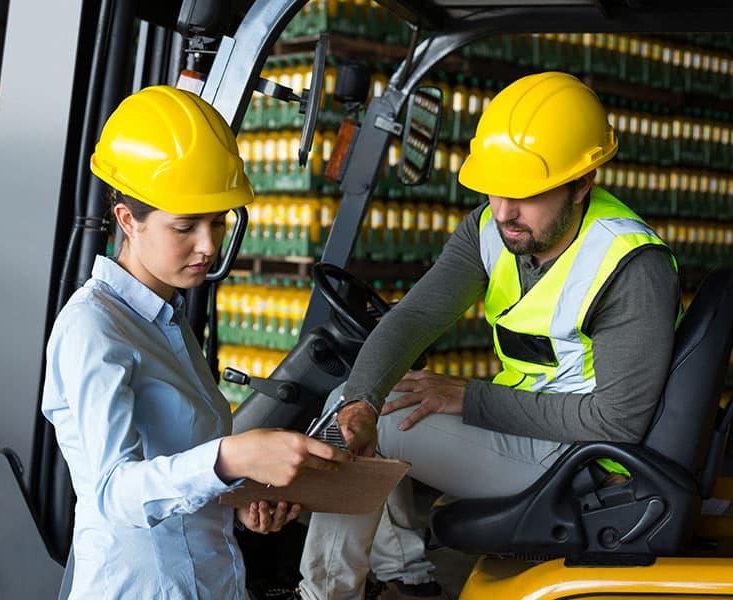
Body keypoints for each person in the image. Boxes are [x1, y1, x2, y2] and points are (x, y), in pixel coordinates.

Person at [297, 71, 681, 600]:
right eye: (495, 189)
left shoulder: (630, 266)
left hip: (585, 462)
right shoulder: (490, 229)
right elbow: (411, 319)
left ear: (583, 182)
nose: (504, 211)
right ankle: (407, 577)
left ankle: (324, 595)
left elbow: (617, 421)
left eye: (525, 194)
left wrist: (467, 398)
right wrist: (364, 398)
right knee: (366, 402)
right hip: (527, 429)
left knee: (381, 420)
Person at [41, 85, 350, 599]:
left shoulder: (166, 318)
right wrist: (232, 458)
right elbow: (114, 492)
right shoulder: (93, 329)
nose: (207, 246)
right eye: (185, 227)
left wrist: (240, 498)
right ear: (127, 221)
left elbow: (180, 466)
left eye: (218, 222)